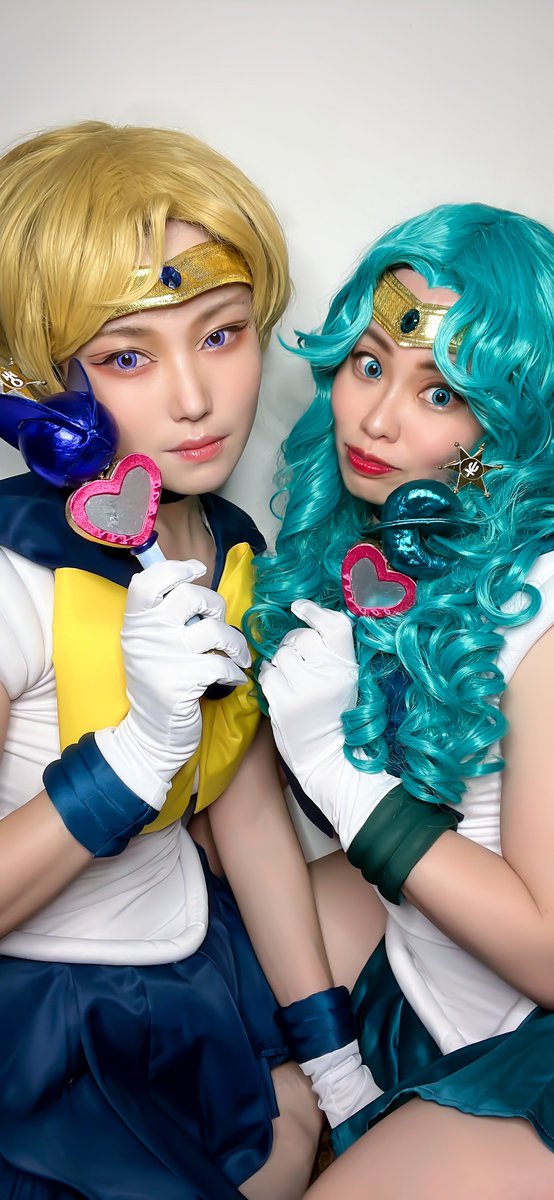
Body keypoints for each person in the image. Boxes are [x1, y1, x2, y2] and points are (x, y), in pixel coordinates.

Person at [0, 121, 376, 1200]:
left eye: (221, 334)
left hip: (194, 960)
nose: (195, 398)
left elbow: (248, 818)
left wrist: (330, 1060)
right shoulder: (13, 573)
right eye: (127, 356)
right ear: (46, 386)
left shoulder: (230, 544)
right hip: (46, 1017)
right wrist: (126, 760)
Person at [250, 202, 554, 1197]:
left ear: (508, 421)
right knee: (216, 1049)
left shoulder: (545, 603)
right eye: (369, 363)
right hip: (427, 963)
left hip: (534, 1030)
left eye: (440, 392)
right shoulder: (387, 548)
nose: (376, 420)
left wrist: (348, 785)